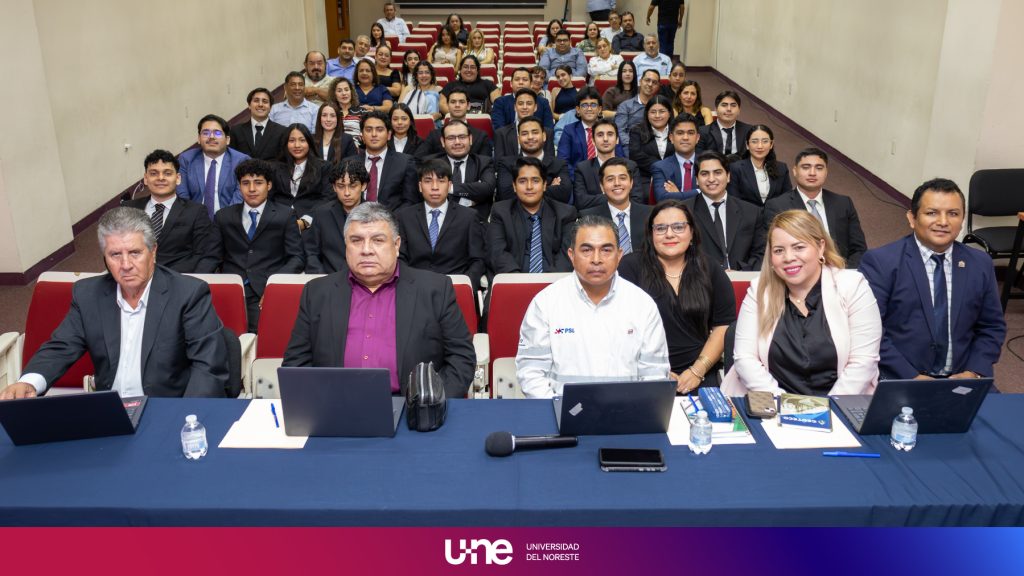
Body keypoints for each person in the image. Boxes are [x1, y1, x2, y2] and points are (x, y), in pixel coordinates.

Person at [0, 207, 228, 399]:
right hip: (111, 410)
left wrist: (185, 419)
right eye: (115, 255)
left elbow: (208, 368)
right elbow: (61, 346)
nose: (126, 264)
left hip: (165, 409)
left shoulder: (187, 294)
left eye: (135, 253)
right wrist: (29, 382)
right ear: (105, 257)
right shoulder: (88, 294)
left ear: (153, 252)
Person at [283, 202, 476, 398]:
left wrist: (431, 401)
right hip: (335, 404)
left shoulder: (435, 290)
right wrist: (321, 404)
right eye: (356, 240)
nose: (366, 250)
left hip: (412, 406)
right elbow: (296, 364)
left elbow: (461, 358)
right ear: (346, 245)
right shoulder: (317, 293)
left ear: (396, 245)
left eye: (378, 240)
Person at [859, 178, 1006, 381]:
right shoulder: (881, 262)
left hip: (963, 377)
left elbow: (991, 327)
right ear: (912, 218)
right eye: (932, 213)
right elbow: (869, 331)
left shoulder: (980, 263)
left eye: (953, 214)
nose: (943, 222)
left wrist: (974, 372)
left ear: (962, 219)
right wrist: (911, 377)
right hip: (900, 378)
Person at [722, 209, 881, 397]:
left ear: (820, 247)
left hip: (842, 402)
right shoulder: (759, 290)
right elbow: (745, 359)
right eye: (779, 250)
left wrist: (828, 408)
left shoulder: (853, 286)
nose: (788, 257)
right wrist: (786, 405)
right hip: (772, 402)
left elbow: (863, 362)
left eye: (798, 247)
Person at [516, 215, 669, 398]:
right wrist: (557, 408)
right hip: (560, 411)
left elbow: (655, 374)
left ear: (619, 255)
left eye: (606, 250)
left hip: (626, 411)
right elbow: (531, 372)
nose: (596, 259)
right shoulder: (546, 303)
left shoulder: (642, 304)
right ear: (571, 255)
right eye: (587, 250)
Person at [618, 200, 735, 390]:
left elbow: (723, 325)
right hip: (643, 372)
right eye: (660, 228)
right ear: (650, 234)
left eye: (678, 227)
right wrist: (654, 371)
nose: (669, 234)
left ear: (692, 232)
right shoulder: (630, 267)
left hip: (701, 372)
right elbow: (618, 327)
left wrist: (697, 371)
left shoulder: (710, 268)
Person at [215, 159, 305, 332]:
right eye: (245, 183)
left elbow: (297, 258)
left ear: (269, 185)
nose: (252, 189)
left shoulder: (285, 215)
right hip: (232, 291)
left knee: (263, 339)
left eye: (258, 182)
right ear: (239, 186)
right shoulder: (223, 216)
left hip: (266, 290)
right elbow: (212, 257)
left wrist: (274, 285)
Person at [763, 148, 868, 267]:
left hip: (839, 269)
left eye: (819, 168)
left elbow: (859, 248)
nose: (812, 173)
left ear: (826, 172)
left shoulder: (843, 203)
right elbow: (774, 250)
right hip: (798, 270)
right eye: (806, 167)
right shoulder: (778, 206)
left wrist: (843, 272)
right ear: (795, 171)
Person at [395, 159, 487, 293]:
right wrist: (407, 284)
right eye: (428, 181)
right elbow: (400, 257)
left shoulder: (468, 217)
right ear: (420, 186)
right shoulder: (404, 216)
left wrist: (465, 286)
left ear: (449, 185)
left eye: (441, 181)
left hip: (455, 287)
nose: (434, 187)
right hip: (414, 288)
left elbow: (477, 260)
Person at [124, 150, 220, 273]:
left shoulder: (196, 211)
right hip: (132, 275)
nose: (160, 178)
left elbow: (203, 254)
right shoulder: (128, 209)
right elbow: (113, 249)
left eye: (167, 173)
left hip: (178, 277)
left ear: (178, 178)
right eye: (154, 173)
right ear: (146, 179)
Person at [487, 157, 577, 275]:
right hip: (512, 279)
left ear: (544, 185)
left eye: (535, 181)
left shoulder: (565, 213)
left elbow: (566, 256)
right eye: (522, 181)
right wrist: (520, 282)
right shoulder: (501, 212)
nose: (529, 187)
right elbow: (498, 252)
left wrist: (548, 283)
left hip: (553, 281)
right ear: (514, 186)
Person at [682, 151, 765, 270]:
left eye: (717, 172)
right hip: (700, 277)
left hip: (743, 277)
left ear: (728, 176)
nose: (711, 179)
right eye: (705, 174)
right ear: (696, 180)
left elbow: (761, 253)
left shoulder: (752, 212)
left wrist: (740, 273)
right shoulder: (684, 212)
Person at [343, 110, 418, 211]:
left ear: (389, 134)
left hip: (392, 218)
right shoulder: (348, 164)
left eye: (379, 130)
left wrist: (388, 219)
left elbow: (410, 202)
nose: (374, 134)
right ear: (362, 136)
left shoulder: (405, 163)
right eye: (369, 130)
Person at [177, 114, 250, 219]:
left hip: (230, 219)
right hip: (194, 219)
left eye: (217, 133)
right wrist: (193, 220)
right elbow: (182, 195)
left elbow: (240, 195)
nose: (211, 137)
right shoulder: (186, 159)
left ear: (227, 140)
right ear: (199, 138)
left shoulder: (241, 161)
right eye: (206, 133)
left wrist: (225, 220)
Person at [424, 119, 496, 221]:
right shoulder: (430, 163)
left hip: (476, 221)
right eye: (451, 138)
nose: (457, 142)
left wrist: (450, 188)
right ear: (443, 142)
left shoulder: (484, 162)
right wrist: (468, 200)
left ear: (470, 139)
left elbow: (487, 188)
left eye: (462, 137)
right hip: (439, 219)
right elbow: (427, 193)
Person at [304, 159, 366, 274]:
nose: (347, 193)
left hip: (365, 279)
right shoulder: (321, 214)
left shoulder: (376, 216)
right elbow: (311, 253)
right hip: (328, 278)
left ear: (363, 186)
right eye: (341, 186)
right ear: (334, 187)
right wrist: (321, 278)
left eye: (353, 186)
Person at [495, 117, 572, 203]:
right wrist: (549, 188)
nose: (530, 137)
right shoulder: (506, 164)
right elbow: (507, 195)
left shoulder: (559, 164)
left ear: (544, 136)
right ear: (518, 139)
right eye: (524, 134)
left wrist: (522, 191)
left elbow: (564, 194)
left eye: (535, 132)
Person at [580, 157, 650, 251]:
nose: (617, 183)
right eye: (610, 179)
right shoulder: (588, 218)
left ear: (631, 183)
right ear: (602, 186)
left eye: (622, 178)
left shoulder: (650, 214)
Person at [272, 124, 331, 230]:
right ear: (286, 143)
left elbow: (327, 198)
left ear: (309, 143)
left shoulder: (324, 167)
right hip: (277, 221)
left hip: (311, 222)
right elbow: (269, 197)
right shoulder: (275, 167)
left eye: (302, 140)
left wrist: (306, 220)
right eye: (292, 140)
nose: (297, 145)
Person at [573, 120, 642, 209]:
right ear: (593, 141)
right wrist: (617, 195)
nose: (605, 139)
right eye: (600, 135)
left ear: (617, 140)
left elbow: (637, 199)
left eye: (610, 134)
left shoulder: (631, 166)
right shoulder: (583, 168)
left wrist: (603, 197)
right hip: (594, 216)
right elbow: (581, 202)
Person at [728, 124, 791, 206]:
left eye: (765, 141)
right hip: (746, 213)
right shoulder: (735, 168)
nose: (760, 146)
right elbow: (734, 201)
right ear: (747, 145)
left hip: (775, 213)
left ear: (771, 144)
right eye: (754, 141)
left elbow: (787, 198)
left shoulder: (781, 168)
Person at [558, 87, 613, 180]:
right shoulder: (569, 130)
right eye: (584, 105)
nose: (589, 108)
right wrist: (580, 179)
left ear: (600, 109)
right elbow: (563, 161)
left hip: (607, 178)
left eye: (593, 105)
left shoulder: (609, 129)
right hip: (577, 179)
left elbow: (619, 157)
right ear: (578, 110)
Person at [422, 88, 494, 157]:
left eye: (461, 102)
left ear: (468, 106)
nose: (457, 105)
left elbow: (486, 162)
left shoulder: (481, 136)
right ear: (447, 105)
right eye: (453, 102)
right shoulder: (434, 135)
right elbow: (422, 159)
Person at [628, 93, 673, 194]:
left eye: (662, 111)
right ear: (647, 114)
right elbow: (636, 155)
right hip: (646, 178)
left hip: (673, 176)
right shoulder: (637, 131)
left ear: (669, 113)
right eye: (653, 112)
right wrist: (662, 166)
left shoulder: (677, 131)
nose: (657, 116)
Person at [493, 89, 555, 159]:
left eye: (529, 103)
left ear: (535, 107)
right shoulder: (501, 134)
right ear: (515, 107)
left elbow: (550, 161)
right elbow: (499, 163)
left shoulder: (547, 133)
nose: (524, 107)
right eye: (520, 104)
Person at [230, 87, 288, 161]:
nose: (260, 104)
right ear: (249, 105)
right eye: (256, 101)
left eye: (265, 101)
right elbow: (232, 159)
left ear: (270, 107)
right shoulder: (236, 131)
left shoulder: (282, 131)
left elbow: (283, 161)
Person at [615, 69, 661, 149]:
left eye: (654, 82)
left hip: (655, 148)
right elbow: (620, 131)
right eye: (647, 80)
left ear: (658, 86)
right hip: (630, 147)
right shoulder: (625, 106)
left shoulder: (661, 107)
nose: (650, 84)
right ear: (640, 81)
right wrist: (634, 147)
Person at [697, 90, 752, 156]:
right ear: (716, 109)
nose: (729, 109)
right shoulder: (703, 132)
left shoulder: (749, 131)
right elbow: (699, 157)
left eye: (733, 105)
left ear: (739, 110)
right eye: (724, 105)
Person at [327, 76, 364, 141]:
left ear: (351, 92)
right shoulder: (331, 112)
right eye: (339, 91)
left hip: (357, 145)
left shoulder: (362, 111)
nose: (344, 93)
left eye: (346, 90)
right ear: (334, 94)